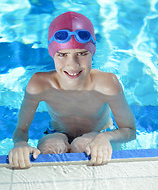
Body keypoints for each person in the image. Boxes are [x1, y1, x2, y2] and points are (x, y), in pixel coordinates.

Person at [9, 11, 136, 168]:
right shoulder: (40, 84)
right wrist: (20, 144)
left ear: (93, 52)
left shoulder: (107, 84)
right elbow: (21, 131)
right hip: (57, 133)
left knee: (82, 146)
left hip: (102, 134)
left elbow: (129, 131)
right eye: (62, 54)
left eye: (82, 54)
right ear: (52, 54)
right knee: (50, 150)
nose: (72, 65)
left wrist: (106, 138)